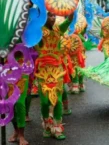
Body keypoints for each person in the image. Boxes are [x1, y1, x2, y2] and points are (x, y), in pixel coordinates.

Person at [34, 12, 73, 140]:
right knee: (45, 102)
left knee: (58, 100)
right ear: (44, 17)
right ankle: (46, 124)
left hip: (57, 69)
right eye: (50, 16)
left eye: (54, 16)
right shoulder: (38, 30)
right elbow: (33, 43)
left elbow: (68, 21)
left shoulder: (58, 29)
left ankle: (57, 127)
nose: (53, 18)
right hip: (43, 71)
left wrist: (71, 12)